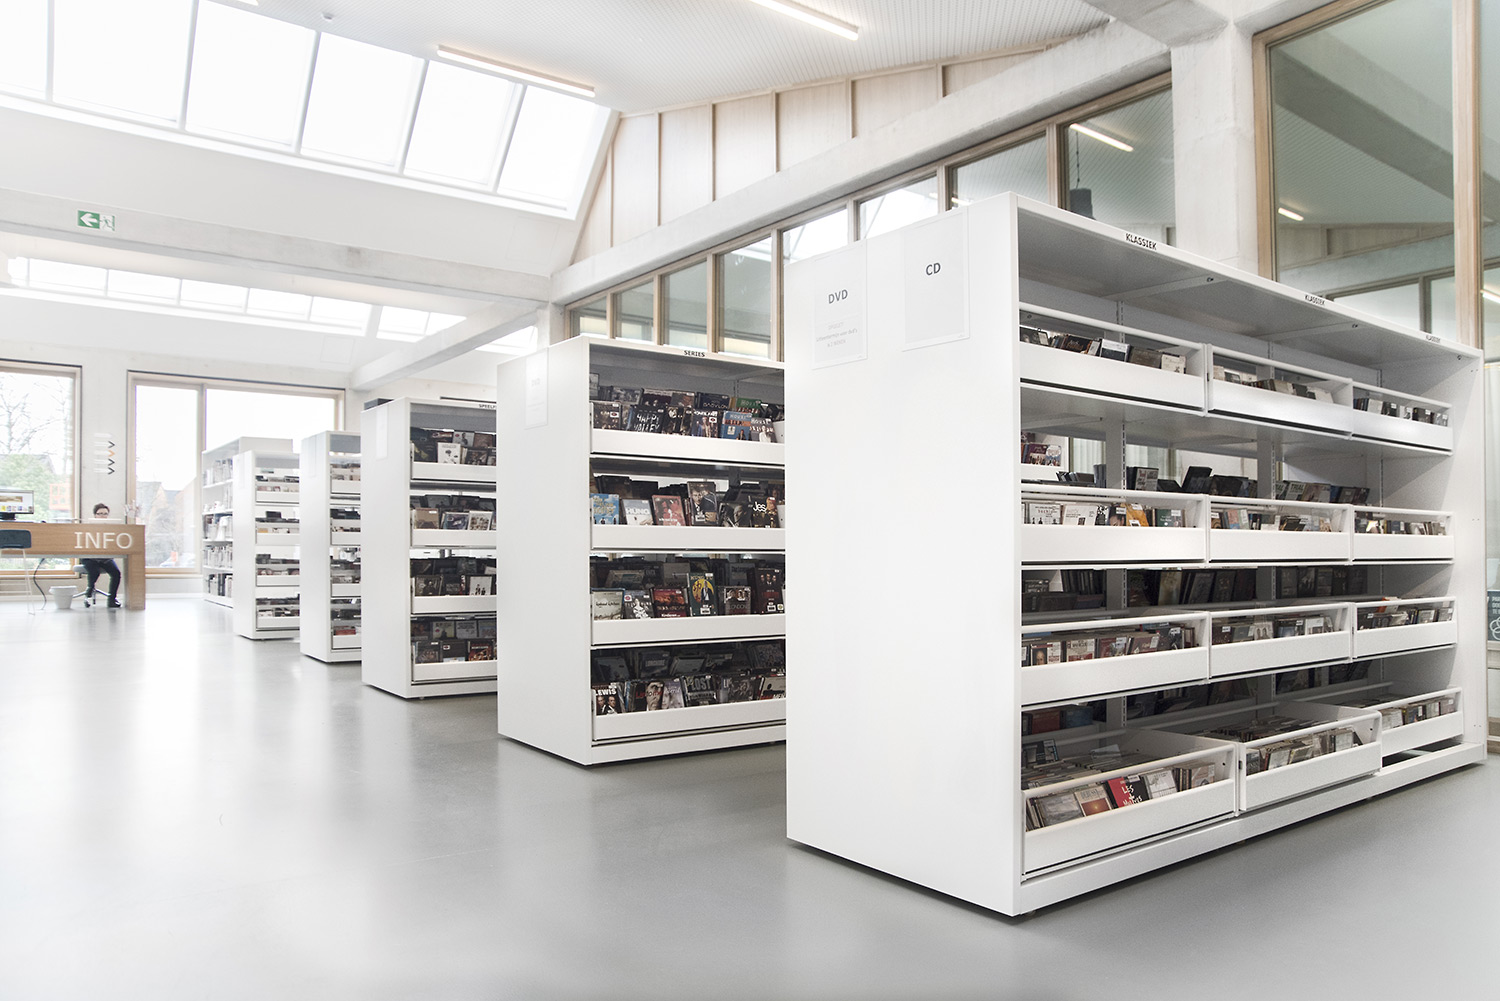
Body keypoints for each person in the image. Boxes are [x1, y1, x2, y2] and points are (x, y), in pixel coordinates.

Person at [80, 502, 121, 609]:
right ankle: (89, 590)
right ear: (95, 515)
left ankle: (112, 599)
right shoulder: (87, 527)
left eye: (105, 514)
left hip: (105, 558)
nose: (102, 516)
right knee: (94, 571)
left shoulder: (112, 529)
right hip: (89, 558)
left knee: (116, 573)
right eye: (100, 514)